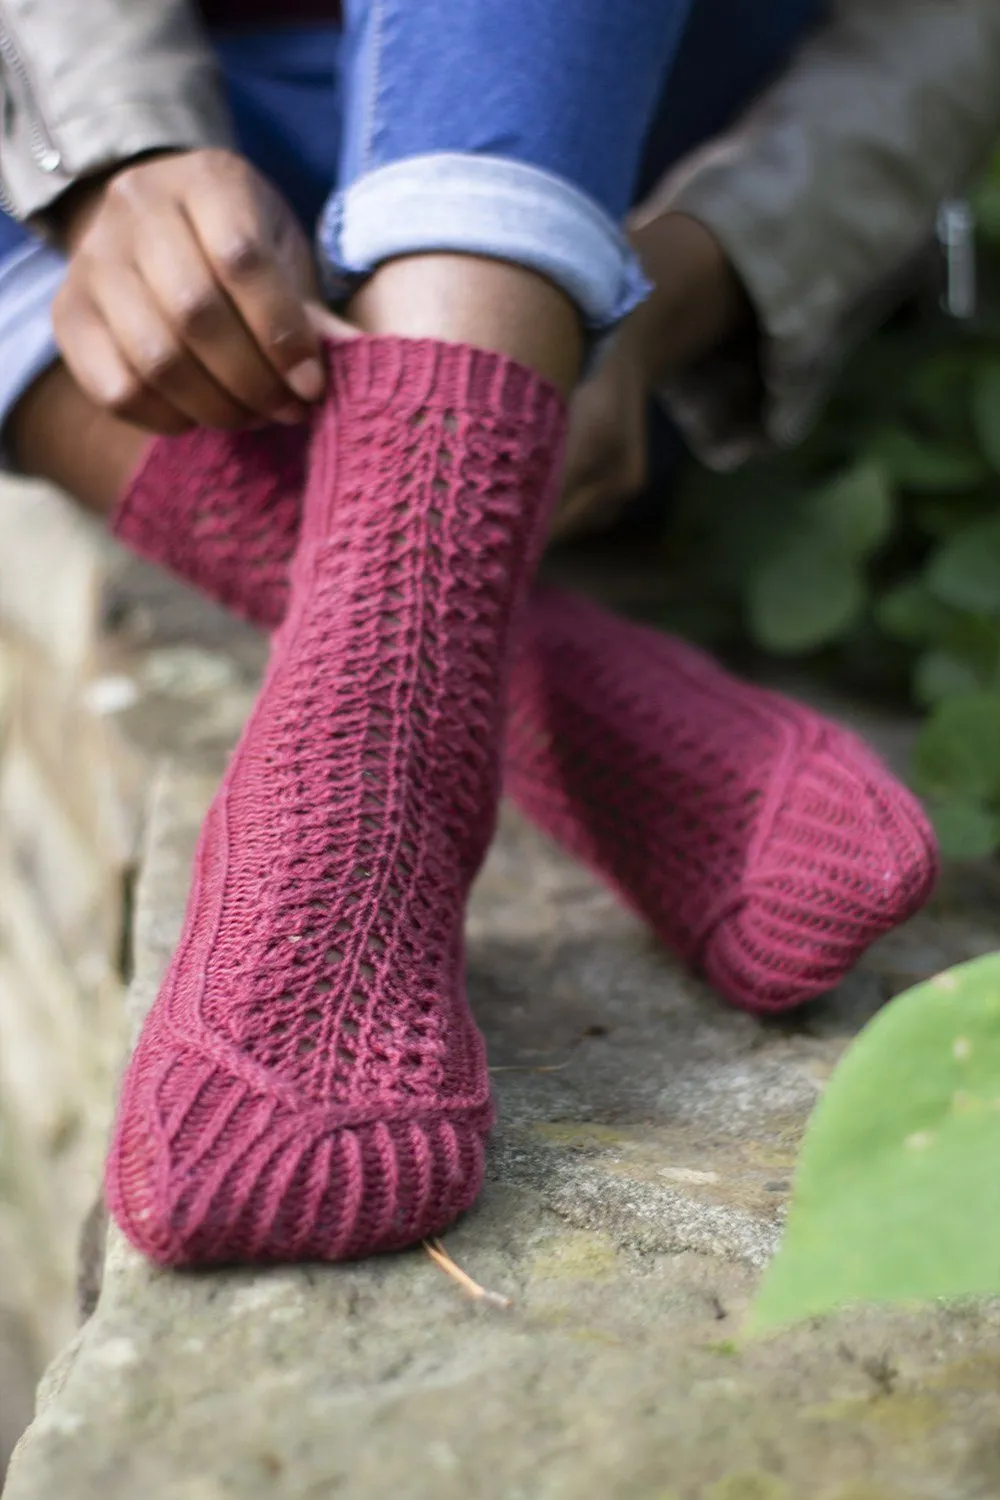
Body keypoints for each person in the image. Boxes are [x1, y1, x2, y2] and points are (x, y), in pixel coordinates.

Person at [0, 0, 993, 1267]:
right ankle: (519, 672)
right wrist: (110, 163)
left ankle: (361, 787)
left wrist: (688, 281)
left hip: (587, 209)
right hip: (192, 207)